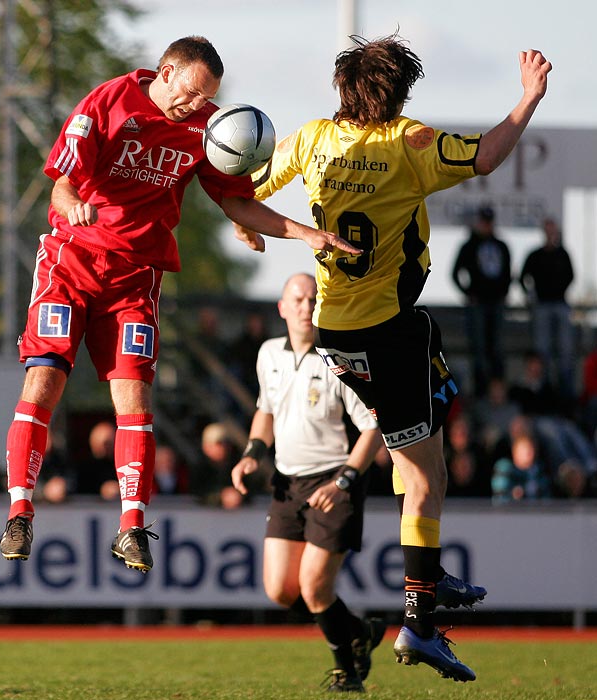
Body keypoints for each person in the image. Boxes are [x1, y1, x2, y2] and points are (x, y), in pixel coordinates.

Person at [235, 34, 551, 682]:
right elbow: (488, 157)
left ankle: (428, 578)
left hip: (339, 335)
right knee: (427, 477)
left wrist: (247, 221)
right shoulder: (406, 143)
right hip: (389, 334)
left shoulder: (317, 137)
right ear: (399, 92)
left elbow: (248, 190)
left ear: (343, 88)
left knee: (427, 434)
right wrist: (528, 98)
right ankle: (420, 622)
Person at [0, 35, 358, 573]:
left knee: (136, 402)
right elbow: (61, 186)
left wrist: (305, 235)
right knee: (43, 381)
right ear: (165, 73)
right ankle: (20, 512)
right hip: (71, 262)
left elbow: (237, 200)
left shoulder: (212, 127)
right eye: (190, 93)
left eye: (205, 96)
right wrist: (73, 204)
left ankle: (132, 525)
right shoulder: (107, 103)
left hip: (135, 278)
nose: (196, 105)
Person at [231, 273, 386, 692]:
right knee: (280, 591)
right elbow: (266, 410)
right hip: (286, 481)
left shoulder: (339, 357)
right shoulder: (268, 354)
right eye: (297, 299)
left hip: (333, 480)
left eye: (312, 298)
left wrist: (346, 480)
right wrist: (251, 455)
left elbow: (373, 426)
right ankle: (359, 632)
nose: (305, 305)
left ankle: (346, 671)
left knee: (315, 588)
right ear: (282, 307)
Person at [452, 205, 512, 396]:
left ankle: (497, 392)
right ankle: (481, 392)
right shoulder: (469, 246)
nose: (486, 226)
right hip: (478, 304)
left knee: (496, 348)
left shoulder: (501, 246)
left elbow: (508, 273)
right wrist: (469, 293)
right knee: (479, 349)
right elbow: (455, 273)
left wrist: (503, 293)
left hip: (496, 303)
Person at [519, 217, 575, 398]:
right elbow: (522, 277)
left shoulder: (563, 254)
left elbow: (571, 276)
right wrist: (530, 295)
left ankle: (566, 392)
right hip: (542, 305)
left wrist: (561, 290)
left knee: (565, 351)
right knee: (542, 352)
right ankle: (543, 390)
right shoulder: (536, 255)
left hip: (560, 303)